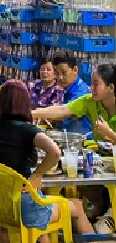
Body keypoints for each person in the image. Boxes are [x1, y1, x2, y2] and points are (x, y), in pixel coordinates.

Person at [0, 80, 93, 243]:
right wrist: (38, 174)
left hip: (2, 207)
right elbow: (55, 151)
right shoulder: (26, 130)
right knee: (75, 205)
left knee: (37, 194)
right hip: (26, 211)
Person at [33, 63, 116, 222]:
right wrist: (33, 113)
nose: (91, 87)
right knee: (76, 174)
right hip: (103, 159)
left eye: (96, 84)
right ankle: (101, 206)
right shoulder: (90, 101)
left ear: (110, 88)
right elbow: (63, 110)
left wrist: (109, 133)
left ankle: (110, 217)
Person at [51, 50, 91, 133]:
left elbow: (63, 113)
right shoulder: (67, 89)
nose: (60, 77)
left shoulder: (82, 92)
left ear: (75, 70)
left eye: (64, 72)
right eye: (57, 73)